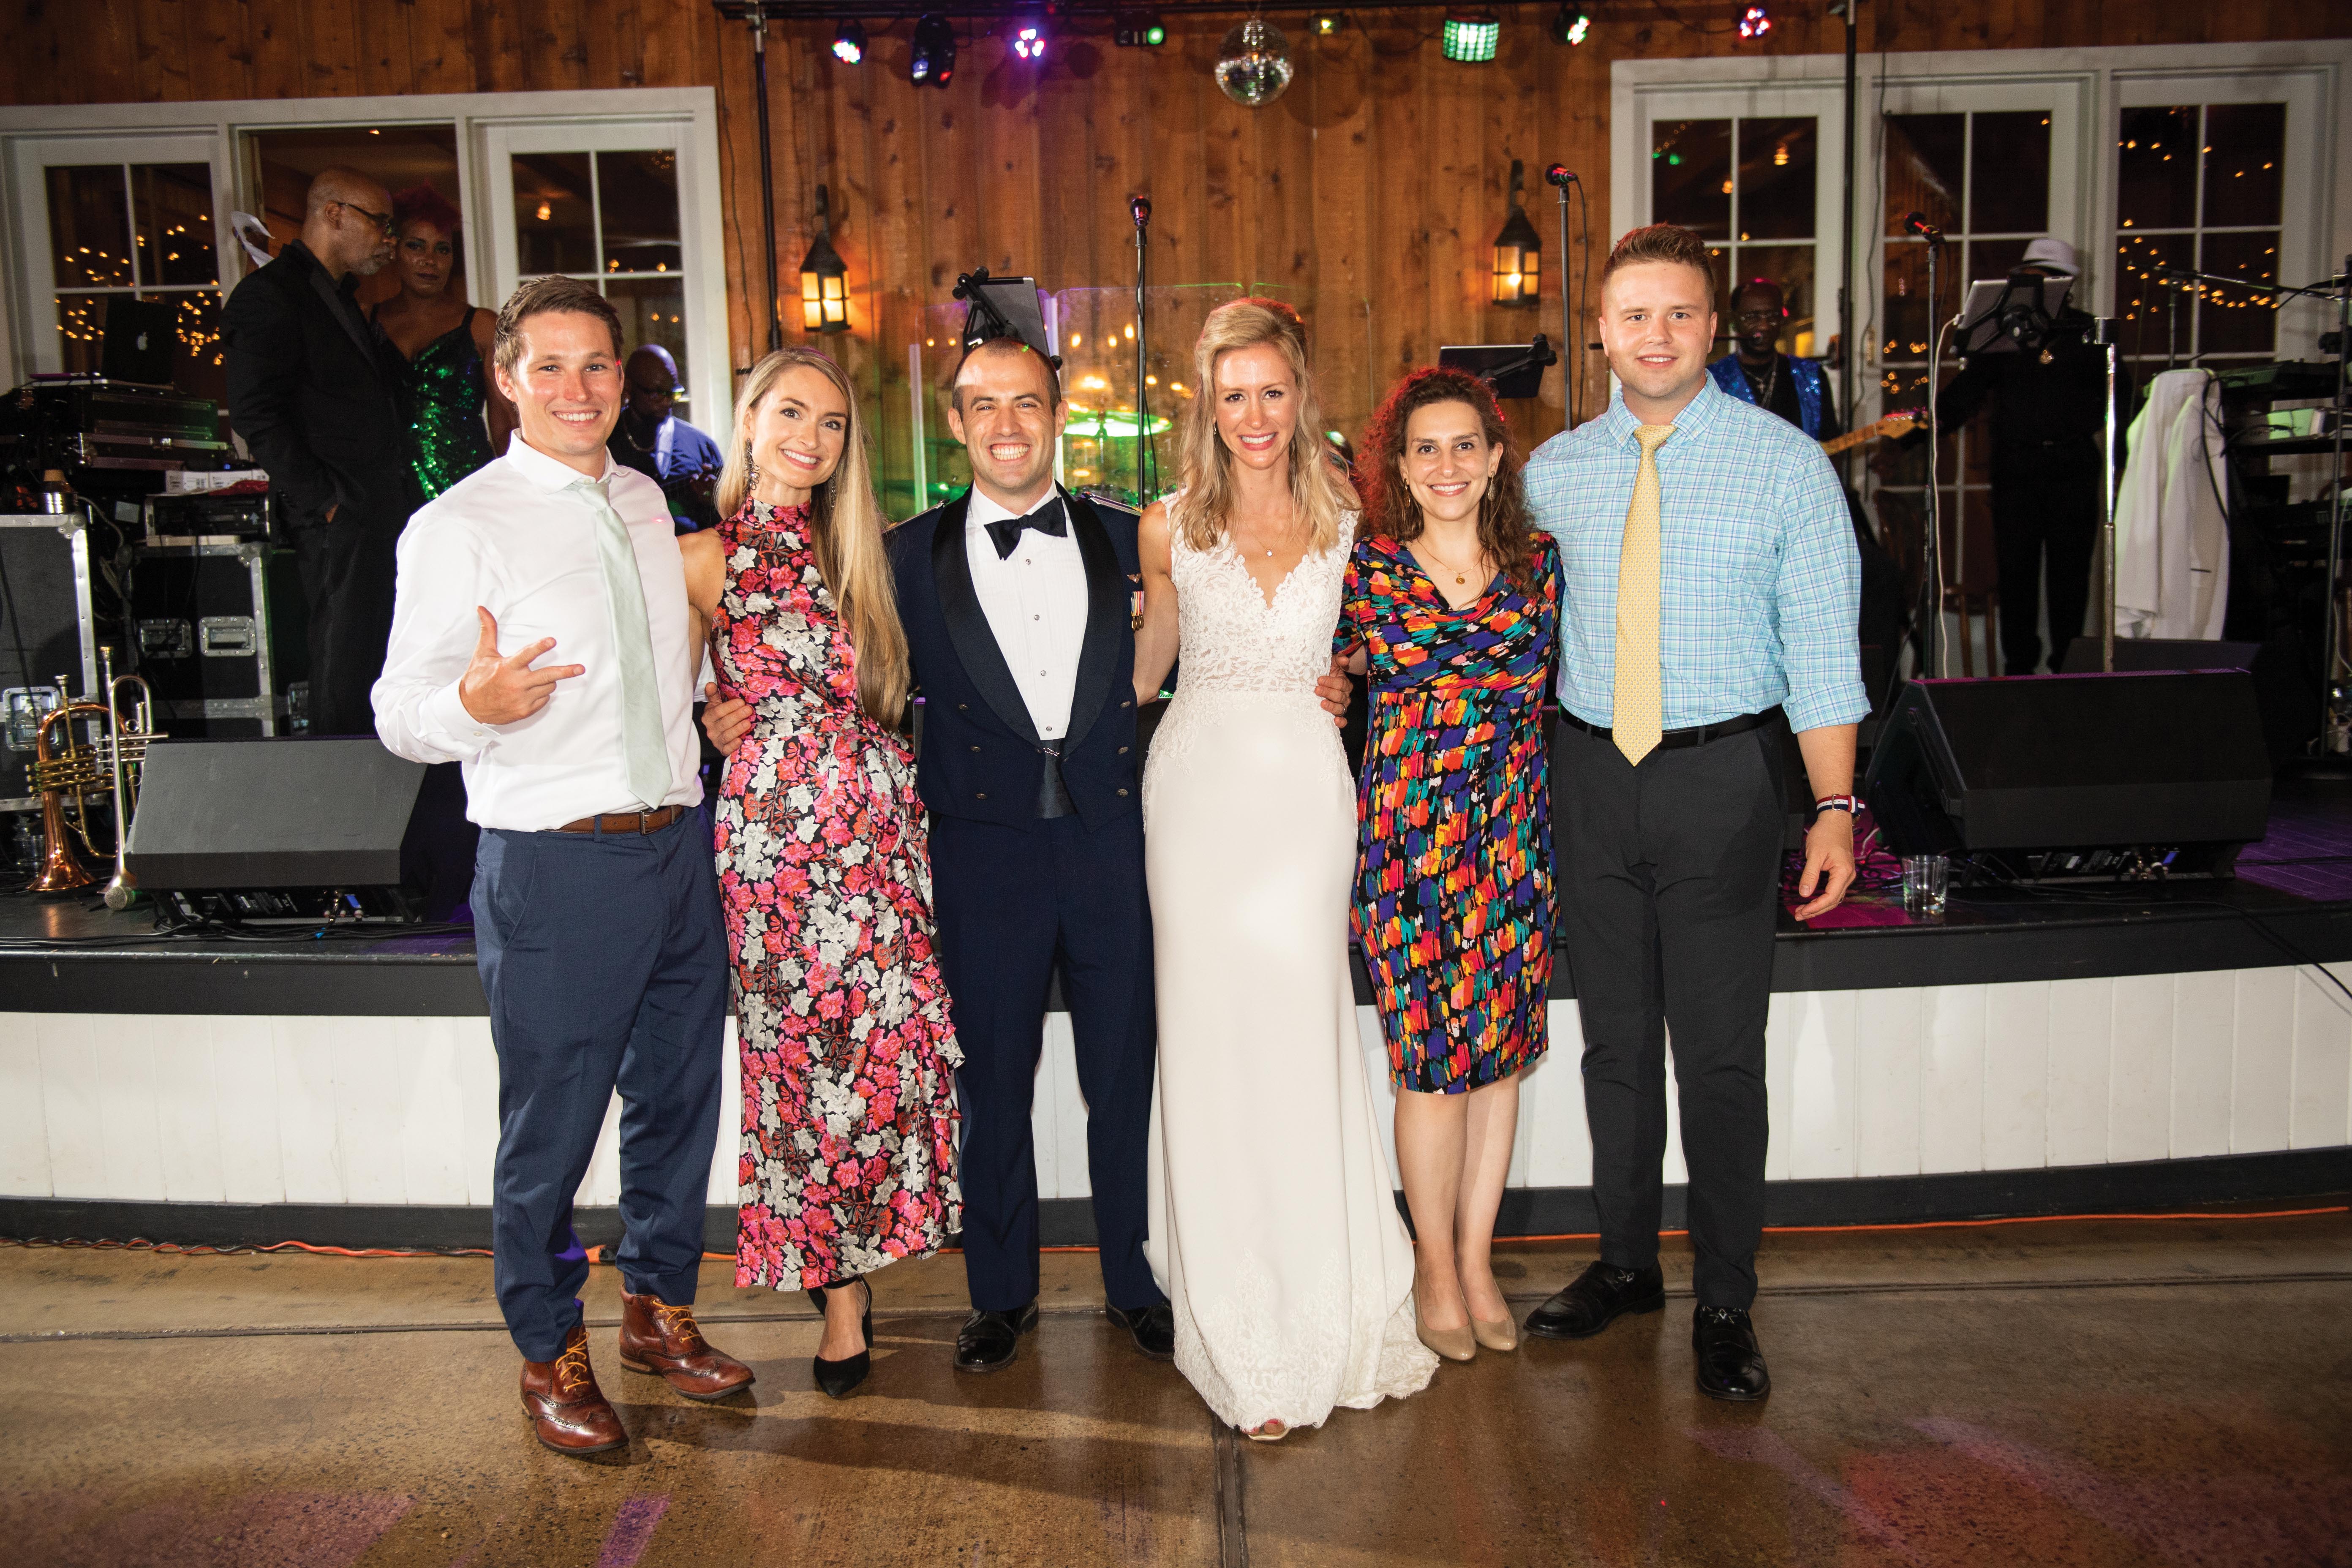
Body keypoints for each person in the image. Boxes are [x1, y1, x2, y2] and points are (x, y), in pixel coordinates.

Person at [740, 333, 1172, 1375]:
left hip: (1112, 845)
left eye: (1026, 403)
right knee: (992, 1088)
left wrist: (1330, 679)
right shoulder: (893, 557)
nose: (1007, 425)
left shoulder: (1132, 536)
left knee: (1124, 1079)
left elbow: (1207, 650)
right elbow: (818, 673)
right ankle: (1001, 1293)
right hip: (979, 856)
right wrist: (726, 710)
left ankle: (1134, 1279)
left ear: (1057, 414)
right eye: (984, 405)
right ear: (956, 422)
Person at [373, 276, 750, 1457]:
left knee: (679, 1102)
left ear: (621, 377)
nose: (578, 389)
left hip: (677, 846)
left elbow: (657, 658)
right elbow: (397, 710)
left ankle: (657, 1309)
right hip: (555, 864)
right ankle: (548, 1350)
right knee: (552, 1129)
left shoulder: (642, 499)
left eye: (596, 365)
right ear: (507, 378)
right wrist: (472, 706)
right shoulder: (458, 527)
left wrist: (713, 705)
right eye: (550, 366)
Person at [1519, 223, 1867, 1403]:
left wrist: (1833, 809)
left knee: (1719, 1056)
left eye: (1678, 313)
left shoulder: (1786, 466)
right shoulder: (1552, 473)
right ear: (1601, 332)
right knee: (1615, 1044)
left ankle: (1725, 1295)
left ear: (1712, 327)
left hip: (1724, 781)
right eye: (1635, 315)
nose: (1656, 335)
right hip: (1587, 776)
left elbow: (1823, 653)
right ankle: (1626, 1264)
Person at [1132, 298, 1437, 1440]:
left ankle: (1325, 1287)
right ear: (1206, 406)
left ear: (1302, 395)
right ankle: (1230, 1309)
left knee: (1301, 1030)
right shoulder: (1167, 526)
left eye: (1271, 390)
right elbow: (1150, 662)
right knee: (1210, 1037)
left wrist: (1350, 679)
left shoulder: (1354, 519)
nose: (1254, 414)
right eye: (1233, 395)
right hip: (1196, 793)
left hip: (1306, 796)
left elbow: (1379, 647)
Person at [681, 348, 961, 1401]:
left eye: (832, 423)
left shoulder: (867, 555)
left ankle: (885, 1234)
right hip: (774, 847)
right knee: (798, 1066)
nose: (811, 437)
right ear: (750, 419)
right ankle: (840, 1296)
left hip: (879, 838)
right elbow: (658, 705)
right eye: (792, 413)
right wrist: (707, 726)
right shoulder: (698, 558)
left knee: (883, 1059)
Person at [1335, 366, 1559, 1363]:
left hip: (1513, 844)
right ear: (1399, 465)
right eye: (1425, 448)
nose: (1447, 464)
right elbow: (1311, 668)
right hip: (1409, 852)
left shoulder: (1541, 565)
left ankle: (1476, 1261)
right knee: (1431, 1071)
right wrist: (1331, 685)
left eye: (1465, 444)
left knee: (1498, 1067)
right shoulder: (1367, 572)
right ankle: (1431, 1264)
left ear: (1497, 455)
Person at [224, 166, 421, 737]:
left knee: (375, 653)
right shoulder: (269, 295)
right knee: (343, 660)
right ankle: (341, 778)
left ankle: (377, 773)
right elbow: (256, 414)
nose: (388, 240)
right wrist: (325, 502)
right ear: (334, 214)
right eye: (380, 223)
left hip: (375, 508)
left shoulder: (339, 297)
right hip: (339, 512)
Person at [1933, 236, 2126, 674]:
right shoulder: (2006, 333)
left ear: (2065, 285)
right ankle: (2018, 671)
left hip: (2073, 468)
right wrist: (1915, 432)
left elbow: (2119, 403)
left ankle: (2066, 670)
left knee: (2070, 577)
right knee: (2015, 573)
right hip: (2017, 469)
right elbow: (1964, 396)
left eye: (2045, 280)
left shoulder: (2088, 333)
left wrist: (2124, 469)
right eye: (2028, 279)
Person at [369, 185, 515, 500]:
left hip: (466, 492)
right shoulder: (365, 321)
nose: (430, 260)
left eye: (443, 249)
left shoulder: (481, 326)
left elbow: (506, 425)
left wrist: (517, 497)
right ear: (394, 250)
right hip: (383, 494)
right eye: (416, 246)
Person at [1707, 278, 1842, 441]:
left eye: (1773, 316)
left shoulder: (1812, 375)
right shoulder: (1711, 379)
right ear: (1733, 321)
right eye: (1752, 317)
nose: (1764, 326)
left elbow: (1831, 442)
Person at [610, 345, 725, 532]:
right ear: (629, 387)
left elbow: (726, 528)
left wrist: (713, 503)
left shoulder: (701, 446)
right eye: (657, 394)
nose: (667, 402)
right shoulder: (605, 442)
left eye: (673, 393)